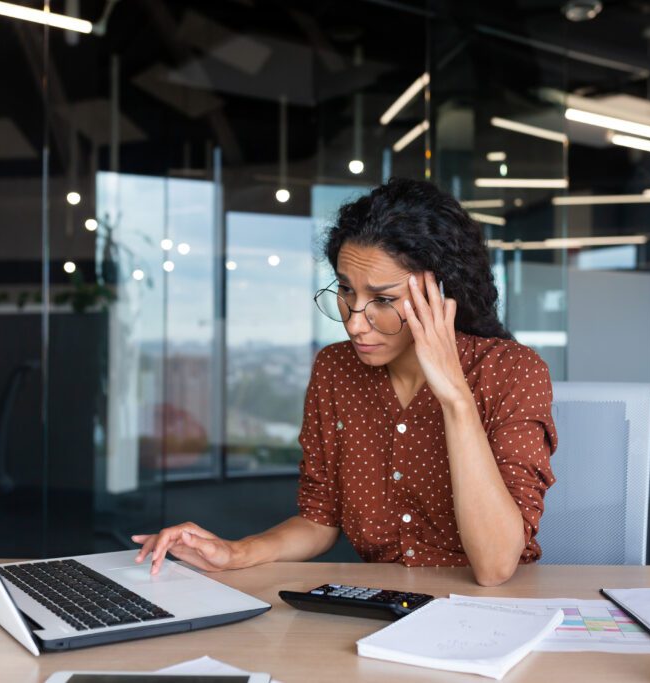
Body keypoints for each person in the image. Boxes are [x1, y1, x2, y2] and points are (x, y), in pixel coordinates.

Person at [133, 178, 557, 586]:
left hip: (492, 612)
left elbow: (496, 566)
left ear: (441, 293)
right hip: (384, 607)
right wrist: (236, 552)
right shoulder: (336, 369)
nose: (355, 323)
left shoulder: (512, 372)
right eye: (346, 290)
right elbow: (320, 519)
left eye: (383, 300)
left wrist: (455, 399)